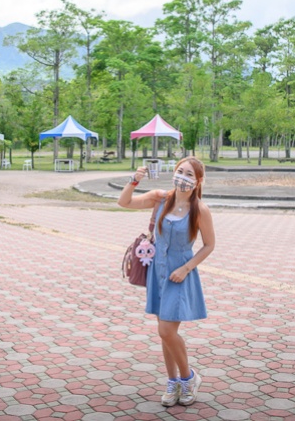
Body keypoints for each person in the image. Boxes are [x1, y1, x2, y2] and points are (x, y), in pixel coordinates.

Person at [118, 156, 215, 407]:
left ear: (198, 180)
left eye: (189, 174)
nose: (182, 177)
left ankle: (189, 378)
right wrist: (134, 179)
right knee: (166, 334)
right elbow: (124, 202)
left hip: (180, 275)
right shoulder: (160, 198)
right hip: (158, 272)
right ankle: (173, 382)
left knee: (166, 330)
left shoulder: (200, 210)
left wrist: (186, 268)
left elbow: (209, 245)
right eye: (179, 171)